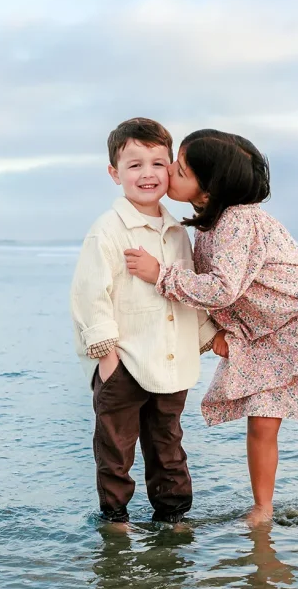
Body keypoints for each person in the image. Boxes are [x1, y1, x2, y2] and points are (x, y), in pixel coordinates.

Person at [123, 129, 298, 536]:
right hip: (264, 331)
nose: (169, 171)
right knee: (262, 422)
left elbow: (223, 288)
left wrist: (161, 275)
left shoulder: (238, 222)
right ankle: (262, 508)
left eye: (180, 168)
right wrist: (214, 333)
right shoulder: (208, 224)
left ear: (209, 186)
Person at [70, 118, 218, 529]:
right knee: (116, 446)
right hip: (125, 360)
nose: (147, 174)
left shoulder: (176, 232)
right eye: (134, 165)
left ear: (170, 168)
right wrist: (107, 354)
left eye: (157, 163)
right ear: (115, 173)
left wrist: (208, 335)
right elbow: (88, 295)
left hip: (171, 359)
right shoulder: (108, 230)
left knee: (167, 441)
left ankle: (172, 515)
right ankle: (116, 517)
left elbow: (188, 292)